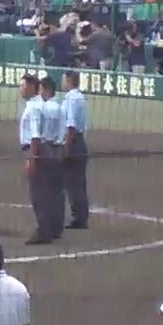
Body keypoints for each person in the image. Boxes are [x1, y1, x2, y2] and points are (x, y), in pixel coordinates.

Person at [18, 75, 56, 245]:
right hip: (46, 150)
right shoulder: (41, 104)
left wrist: (31, 160)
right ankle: (48, 228)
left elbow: (35, 137)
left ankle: (44, 231)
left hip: (38, 151)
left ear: (32, 87)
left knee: (38, 194)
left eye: (23, 85)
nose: (21, 89)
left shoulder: (34, 107)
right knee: (45, 192)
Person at [60, 71, 90, 230]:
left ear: (69, 80)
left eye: (64, 80)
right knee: (79, 182)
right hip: (80, 141)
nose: (62, 83)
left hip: (74, 142)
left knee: (72, 182)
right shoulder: (81, 97)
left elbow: (71, 126)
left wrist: (66, 146)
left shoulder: (71, 99)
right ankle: (81, 217)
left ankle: (78, 218)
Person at [37, 77, 65, 237]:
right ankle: (57, 226)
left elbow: (44, 133)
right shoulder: (60, 107)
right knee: (57, 191)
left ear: (46, 89)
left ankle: (47, 226)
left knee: (45, 190)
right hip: (58, 149)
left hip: (48, 148)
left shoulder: (46, 108)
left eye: (41, 89)